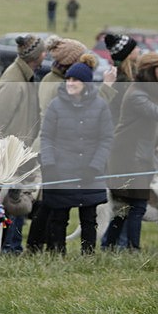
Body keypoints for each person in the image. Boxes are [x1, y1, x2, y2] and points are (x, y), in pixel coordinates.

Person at [104, 52, 158, 250]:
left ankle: (109, 245)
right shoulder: (138, 94)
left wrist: (157, 140)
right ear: (151, 70)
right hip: (129, 157)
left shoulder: (146, 91)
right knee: (137, 205)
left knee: (125, 207)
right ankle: (133, 249)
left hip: (136, 154)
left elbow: (143, 123)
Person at [39, 55, 114, 254]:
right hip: (60, 171)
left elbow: (106, 139)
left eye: (76, 80)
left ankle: (88, 255)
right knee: (58, 217)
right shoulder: (55, 105)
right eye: (69, 79)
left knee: (89, 217)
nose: (71, 83)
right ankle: (57, 254)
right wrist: (49, 164)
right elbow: (46, 137)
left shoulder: (100, 106)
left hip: (88, 172)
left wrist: (95, 166)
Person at [0, 34, 46, 253]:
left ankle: (11, 247)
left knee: (16, 204)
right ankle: (6, 248)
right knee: (7, 205)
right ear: (36, 56)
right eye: (43, 51)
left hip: (19, 154)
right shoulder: (14, 82)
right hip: (8, 156)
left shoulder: (25, 76)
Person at [104, 33, 140, 124]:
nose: (139, 50)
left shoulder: (130, 76)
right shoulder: (122, 82)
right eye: (136, 48)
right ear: (128, 54)